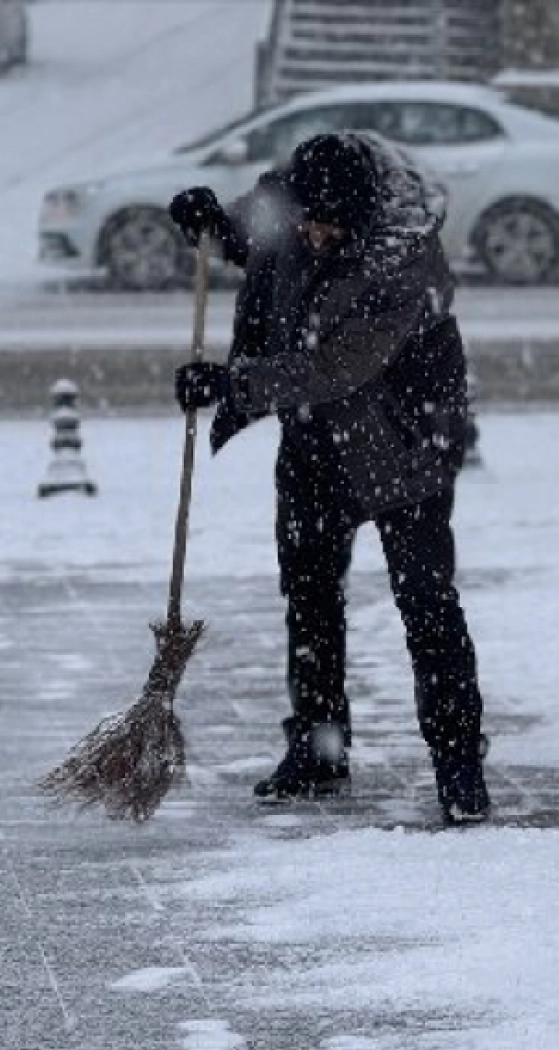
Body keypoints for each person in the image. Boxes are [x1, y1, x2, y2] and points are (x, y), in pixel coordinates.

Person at [168, 132, 490, 825]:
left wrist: (236, 383)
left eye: (330, 227)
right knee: (310, 596)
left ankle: (459, 764)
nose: (313, 236)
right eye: (305, 221)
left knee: (426, 604)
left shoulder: (404, 258)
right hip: (316, 438)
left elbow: (339, 364)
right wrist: (212, 223)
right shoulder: (289, 205)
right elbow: (250, 238)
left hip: (405, 441)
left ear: (363, 215)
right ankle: (319, 751)